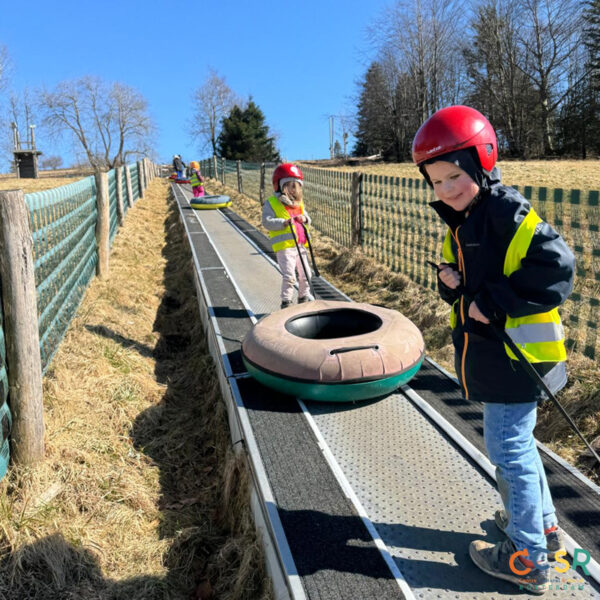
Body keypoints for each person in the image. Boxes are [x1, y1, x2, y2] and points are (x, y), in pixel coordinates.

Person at [412, 105, 574, 595]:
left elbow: (557, 268)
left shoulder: (505, 213)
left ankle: (527, 557)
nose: (445, 190)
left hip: (517, 358)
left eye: (454, 176)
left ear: (482, 162)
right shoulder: (464, 221)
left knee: (508, 450)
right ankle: (543, 528)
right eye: (435, 182)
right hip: (499, 356)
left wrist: (496, 303)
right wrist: (451, 283)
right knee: (518, 446)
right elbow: (466, 281)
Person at [262, 163, 314, 309]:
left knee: (306, 275)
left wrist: (305, 219)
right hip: (285, 248)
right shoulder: (272, 203)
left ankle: (303, 299)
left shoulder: (299, 203)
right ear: (280, 186)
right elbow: (267, 222)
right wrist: (283, 223)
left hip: (300, 246)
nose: (293, 190)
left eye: (295, 186)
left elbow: (307, 217)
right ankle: (286, 302)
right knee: (290, 276)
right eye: (289, 186)